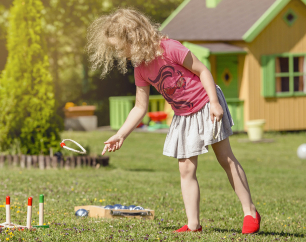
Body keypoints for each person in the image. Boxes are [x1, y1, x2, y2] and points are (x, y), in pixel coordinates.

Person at [87, 8, 260, 234]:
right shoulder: (140, 68)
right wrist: (121, 134)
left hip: (206, 104)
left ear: (134, 37)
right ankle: (193, 224)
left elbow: (203, 71)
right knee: (186, 169)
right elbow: (140, 107)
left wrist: (215, 102)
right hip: (183, 115)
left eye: (121, 47)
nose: (121, 54)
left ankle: (250, 212)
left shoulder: (169, 48)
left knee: (225, 158)